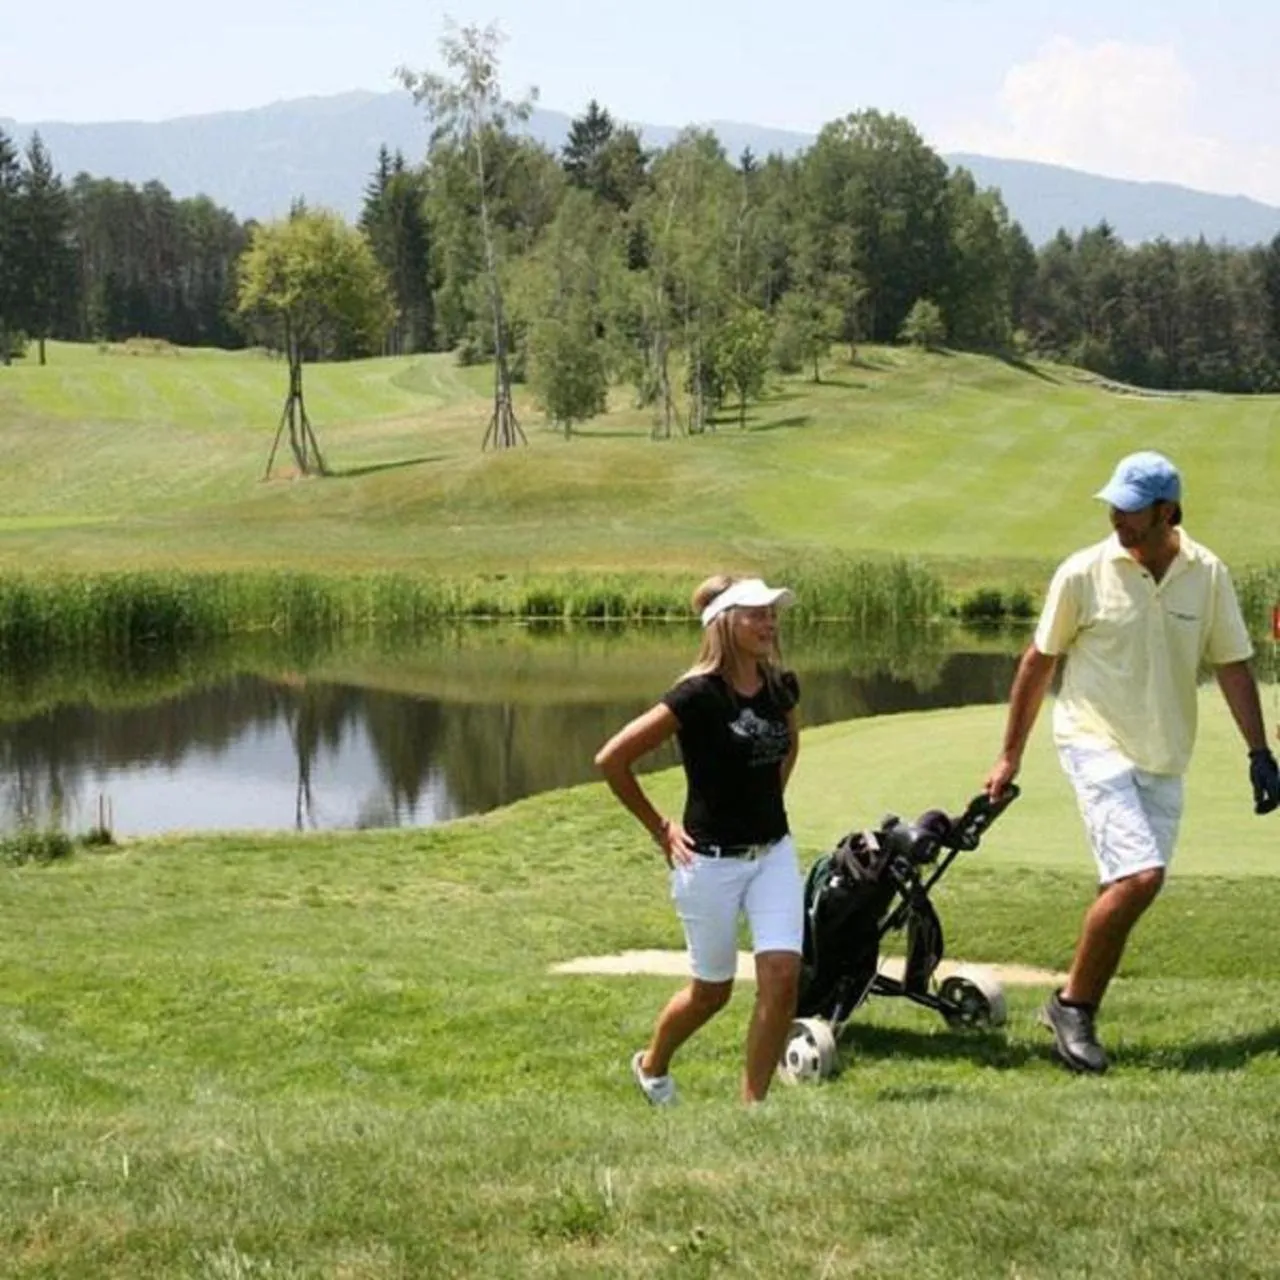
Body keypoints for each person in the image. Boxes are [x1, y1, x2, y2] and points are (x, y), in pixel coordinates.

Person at [985, 450, 1280, 1074]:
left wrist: (1259, 752)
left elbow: (1230, 663)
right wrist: (1009, 754)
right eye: (1114, 506)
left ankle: (1074, 1003)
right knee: (1141, 876)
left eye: (1132, 508)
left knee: (1125, 886)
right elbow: (1038, 663)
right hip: (1092, 741)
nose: (1118, 516)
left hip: (1165, 755)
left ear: (1168, 510)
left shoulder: (1208, 573)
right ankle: (1072, 1007)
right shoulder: (1083, 573)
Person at [594, 574, 804, 1105]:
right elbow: (612, 760)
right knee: (712, 992)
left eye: (772, 613)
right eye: (756, 613)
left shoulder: (781, 686)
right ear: (726, 624)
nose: (769, 622)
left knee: (781, 979)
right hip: (708, 863)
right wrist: (660, 828)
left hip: (773, 854)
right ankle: (652, 1065)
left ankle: (753, 1107)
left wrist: (764, 805)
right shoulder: (696, 695)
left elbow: (788, 746)